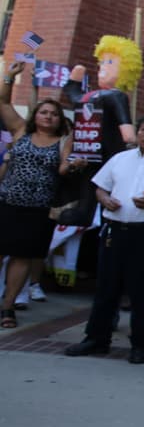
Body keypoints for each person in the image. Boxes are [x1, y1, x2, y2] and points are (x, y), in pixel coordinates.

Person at [64, 115, 144, 363]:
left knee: (142, 292)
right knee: (106, 288)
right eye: (143, 129)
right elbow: (100, 186)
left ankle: (141, 344)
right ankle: (96, 339)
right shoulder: (120, 159)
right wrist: (104, 199)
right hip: (114, 230)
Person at [0, 63, 74, 327]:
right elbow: (2, 101)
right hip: (6, 203)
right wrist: (10, 75)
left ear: (60, 119)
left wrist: (73, 165)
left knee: (21, 258)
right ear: (35, 115)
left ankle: (7, 308)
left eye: (54, 113)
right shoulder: (20, 131)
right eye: (43, 112)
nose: (48, 116)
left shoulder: (65, 141)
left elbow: (64, 167)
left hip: (37, 209)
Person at [57, 35, 143, 224]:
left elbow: (124, 122)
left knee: (103, 183)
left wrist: (129, 137)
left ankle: (96, 216)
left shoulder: (117, 96)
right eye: (102, 62)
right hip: (88, 151)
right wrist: (73, 83)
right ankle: (84, 211)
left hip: (109, 151)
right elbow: (76, 98)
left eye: (110, 62)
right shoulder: (92, 95)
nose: (103, 67)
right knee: (88, 182)